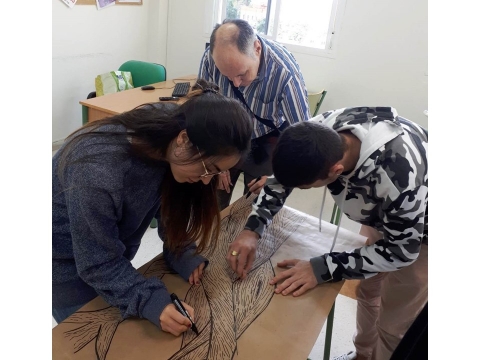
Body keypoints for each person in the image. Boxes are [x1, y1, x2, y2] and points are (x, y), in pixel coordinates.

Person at [52, 79, 252, 336]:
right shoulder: (98, 172)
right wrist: (149, 301)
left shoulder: (175, 129)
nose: (205, 180)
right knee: (94, 343)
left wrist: (181, 250)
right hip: (62, 266)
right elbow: (97, 262)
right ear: (183, 140)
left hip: (104, 252)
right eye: (208, 169)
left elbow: (166, 193)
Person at [228, 107, 428, 360]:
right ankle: (363, 356)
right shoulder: (321, 129)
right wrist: (252, 230)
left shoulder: (396, 177)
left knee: (395, 325)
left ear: (335, 171)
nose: (300, 188)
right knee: (368, 292)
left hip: (422, 232)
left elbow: (402, 251)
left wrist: (322, 267)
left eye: (307, 186)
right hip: (385, 214)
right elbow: (280, 180)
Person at [198, 18, 310, 210]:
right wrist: (212, 156)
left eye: (241, 74)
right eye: (227, 76)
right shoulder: (211, 58)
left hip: (266, 138)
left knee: (252, 205)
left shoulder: (285, 74)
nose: (235, 83)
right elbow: (204, 110)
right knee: (212, 203)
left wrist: (277, 179)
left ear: (257, 48)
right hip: (226, 135)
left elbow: (304, 137)